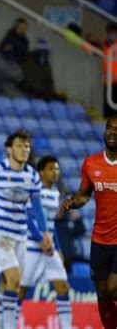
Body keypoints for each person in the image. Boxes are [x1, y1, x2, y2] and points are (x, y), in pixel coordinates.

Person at [0, 130, 53, 329]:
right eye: (19, 146)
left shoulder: (32, 175)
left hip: (20, 236)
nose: (24, 150)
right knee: (14, 278)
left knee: (8, 283)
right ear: (9, 148)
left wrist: (46, 232)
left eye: (27, 146)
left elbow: (37, 207)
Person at [60, 116, 117, 329]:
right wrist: (72, 203)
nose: (112, 133)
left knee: (113, 289)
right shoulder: (91, 164)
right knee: (103, 294)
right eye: (109, 128)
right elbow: (84, 195)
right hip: (100, 238)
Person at [18, 156, 72, 329]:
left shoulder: (55, 193)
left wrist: (58, 248)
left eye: (56, 169)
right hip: (32, 248)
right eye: (50, 169)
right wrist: (41, 241)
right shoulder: (35, 191)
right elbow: (28, 218)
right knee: (21, 291)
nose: (55, 172)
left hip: (50, 250)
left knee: (63, 287)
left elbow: (51, 224)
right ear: (41, 172)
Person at [103, 22, 117, 118]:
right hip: (106, 82)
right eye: (110, 31)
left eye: (113, 31)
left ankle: (114, 132)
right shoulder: (104, 45)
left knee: (115, 110)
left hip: (116, 82)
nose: (111, 34)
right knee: (108, 111)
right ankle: (111, 132)